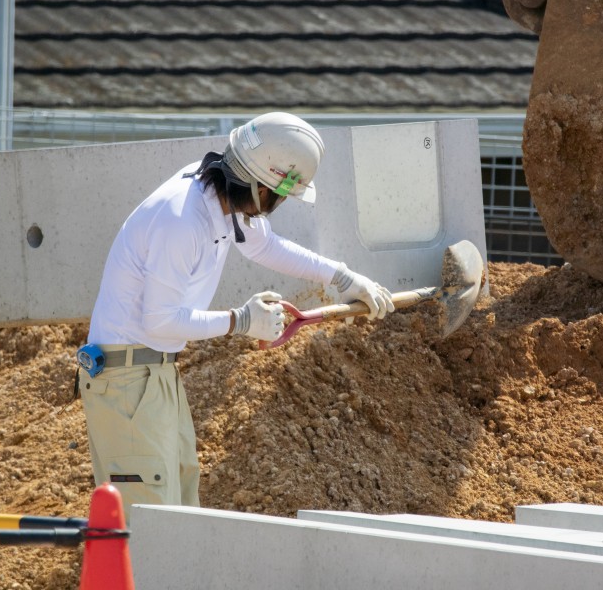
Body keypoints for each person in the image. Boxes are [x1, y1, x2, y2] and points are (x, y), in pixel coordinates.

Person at [77, 112, 394, 517]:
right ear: (263, 187)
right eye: (281, 196)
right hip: (125, 381)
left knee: (181, 510)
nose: (277, 206)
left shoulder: (218, 193)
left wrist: (342, 276)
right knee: (149, 525)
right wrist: (241, 321)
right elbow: (160, 319)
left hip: (153, 374)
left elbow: (265, 245)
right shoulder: (182, 220)